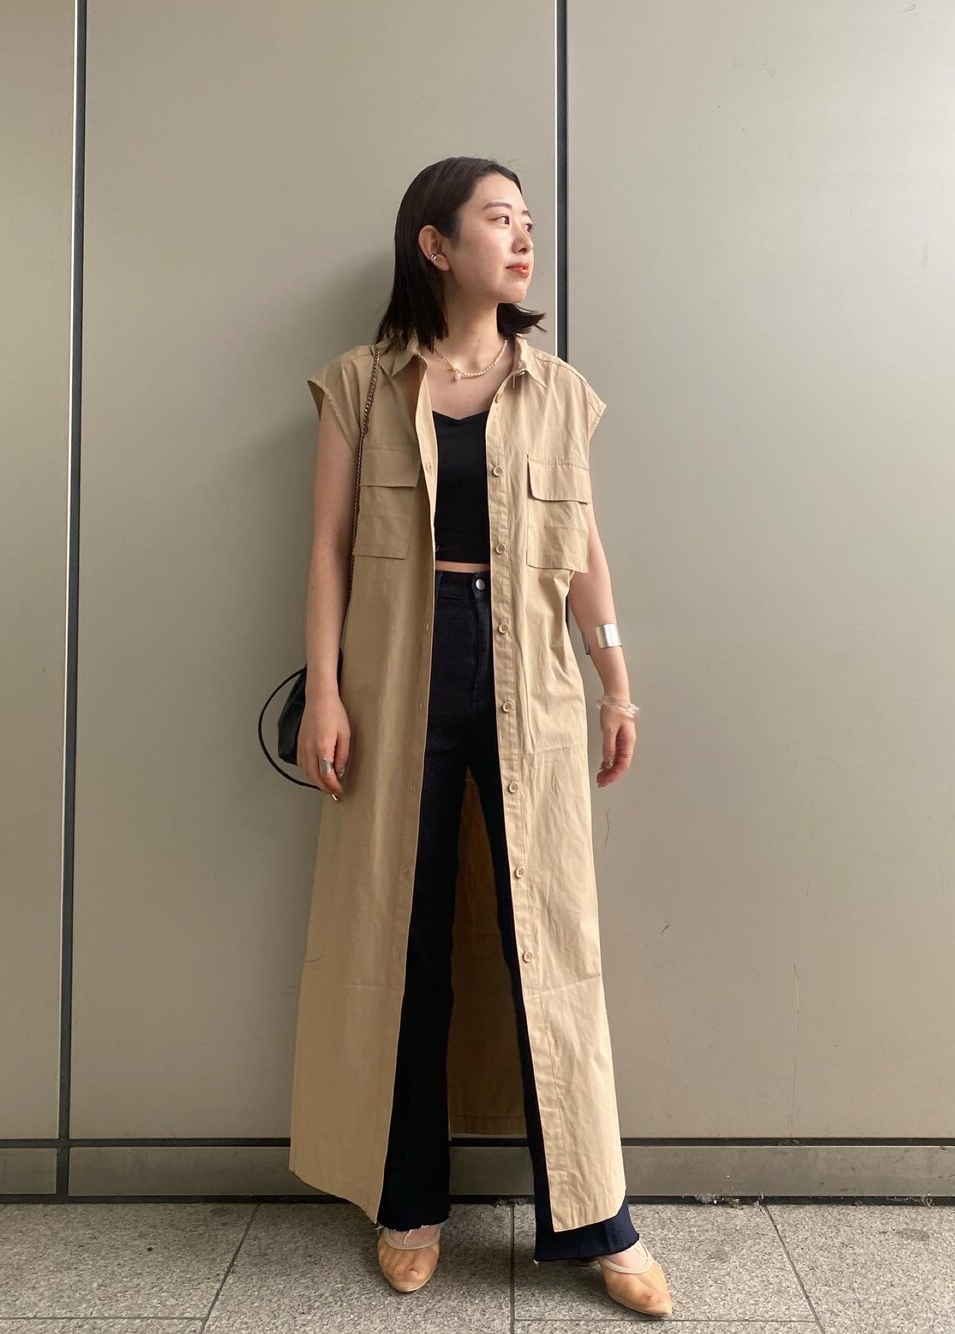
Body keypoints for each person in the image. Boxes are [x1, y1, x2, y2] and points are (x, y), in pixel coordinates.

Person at [293, 157, 673, 1318]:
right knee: (399, 939)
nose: (520, 239)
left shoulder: (556, 390)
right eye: (497, 219)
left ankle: (599, 1217)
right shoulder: (360, 383)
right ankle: (408, 1202)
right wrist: (325, 690)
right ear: (434, 242)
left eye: (525, 221)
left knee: (548, 935)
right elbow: (328, 547)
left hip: (531, 679)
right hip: (397, 673)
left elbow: (583, 547)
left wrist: (616, 680)